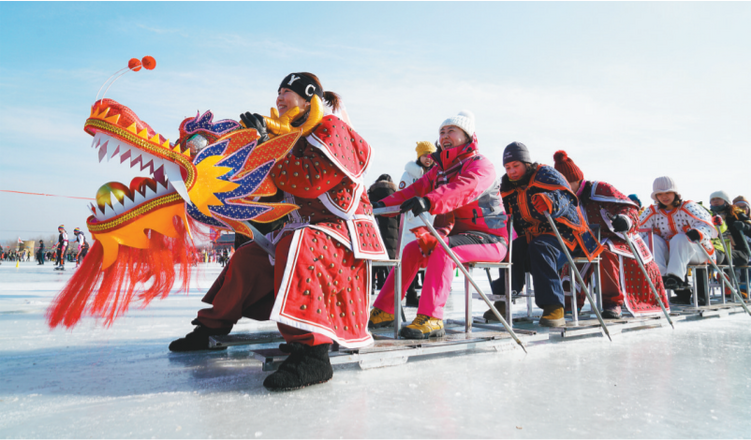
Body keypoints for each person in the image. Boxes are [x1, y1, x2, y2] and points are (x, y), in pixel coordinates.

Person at [169, 72, 387, 391]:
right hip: (301, 228)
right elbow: (272, 192)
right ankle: (208, 329)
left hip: (341, 233)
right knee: (248, 258)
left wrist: (267, 147)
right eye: (278, 93)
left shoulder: (332, 128)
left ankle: (312, 353)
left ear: (308, 97)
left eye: (287, 92)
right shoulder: (291, 134)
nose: (279, 99)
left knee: (297, 242)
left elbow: (308, 182)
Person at [368, 110, 509, 339]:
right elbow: (411, 191)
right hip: (457, 237)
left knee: (444, 250)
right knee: (412, 249)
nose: (445, 135)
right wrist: (379, 204)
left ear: (467, 136)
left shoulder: (481, 165)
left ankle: (432, 318)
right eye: (442, 131)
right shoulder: (438, 170)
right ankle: (385, 310)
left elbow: (463, 189)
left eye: (451, 130)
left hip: (490, 239)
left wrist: (429, 200)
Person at [486, 142, 603, 327]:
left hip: (566, 236)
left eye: (516, 166)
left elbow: (565, 198)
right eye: (508, 167)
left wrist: (550, 201)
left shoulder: (546, 173)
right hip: (533, 237)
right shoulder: (507, 186)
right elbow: (497, 209)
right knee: (512, 249)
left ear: (527, 163)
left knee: (540, 247)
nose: (512, 171)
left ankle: (554, 306)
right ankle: (503, 300)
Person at [552, 151, 668, 318]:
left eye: (568, 184)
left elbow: (628, 208)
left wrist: (625, 219)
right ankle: (569, 303)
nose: (564, 189)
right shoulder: (564, 199)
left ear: (577, 180)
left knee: (604, 251)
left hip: (618, 238)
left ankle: (612, 302)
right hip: (586, 240)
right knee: (569, 255)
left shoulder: (599, 189)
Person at [638, 177, 717, 304]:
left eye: (668, 192)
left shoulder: (688, 206)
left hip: (697, 250)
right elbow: (637, 230)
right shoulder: (652, 211)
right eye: (660, 194)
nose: (664, 197)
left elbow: (707, 225)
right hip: (670, 254)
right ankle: (661, 277)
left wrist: (698, 232)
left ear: (676, 193)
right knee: (650, 238)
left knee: (679, 238)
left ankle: (675, 278)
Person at [396, 141, 437, 306]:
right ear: (418, 156)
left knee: (431, 259)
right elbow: (402, 195)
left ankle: (427, 296)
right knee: (410, 258)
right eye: (424, 155)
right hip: (414, 222)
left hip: (431, 221)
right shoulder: (409, 174)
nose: (428, 159)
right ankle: (411, 295)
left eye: (430, 155)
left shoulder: (437, 173)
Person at [708, 191, 750, 296]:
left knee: (726, 256)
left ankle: (738, 288)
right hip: (718, 249)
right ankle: (704, 291)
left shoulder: (736, 214)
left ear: (726, 201)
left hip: (739, 252)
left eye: (718, 198)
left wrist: (744, 227)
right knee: (708, 257)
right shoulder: (708, 215)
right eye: (713, 199)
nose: (715, 201)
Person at [367, 174, 399, 290]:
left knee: (373, 261)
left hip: (374, 231)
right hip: (392, 234)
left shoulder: (371, 193)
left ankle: (371, 287)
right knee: (390, 263)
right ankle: (390, 290)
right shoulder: (395, 195)